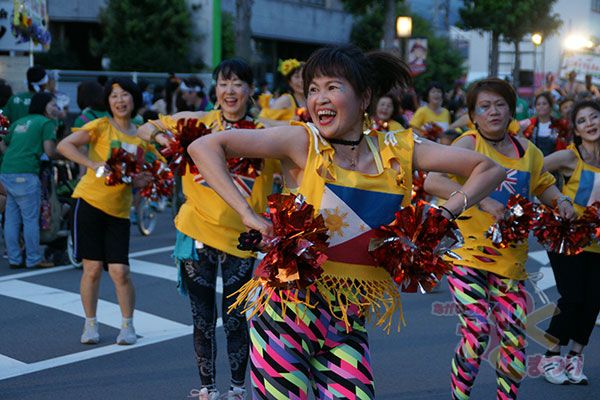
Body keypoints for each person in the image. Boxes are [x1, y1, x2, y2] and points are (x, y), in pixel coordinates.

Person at [187, 45, 506, 400]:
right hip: (284, 313)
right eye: (312, 89)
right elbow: (204, 147)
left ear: (364, 96)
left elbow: (489, 168)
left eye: (332, 87)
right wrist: (248, 214)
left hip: (347, 320)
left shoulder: (398, 148)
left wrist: (443, 214)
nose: (319, 99)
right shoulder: (302, 141)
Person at [424, 78, 575, 400]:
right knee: (476, 331)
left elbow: (543, 184)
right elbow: (433, 180)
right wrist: (477, 199)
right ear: (473, 115)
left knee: (514, 336)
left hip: (510, 259)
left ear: (511, 110)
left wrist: (560, 202)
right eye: (484, 106)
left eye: (500, 105)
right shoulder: (467, 145)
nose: (493, 112)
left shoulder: (528, 151)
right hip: (466, 255)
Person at [138, 58, 276, 400]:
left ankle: (238, 389)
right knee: (202, 319)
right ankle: (208, 388)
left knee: (235, 319)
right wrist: (164, 139)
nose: (230, 91)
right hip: (197, 231)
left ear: (251, 90)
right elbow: (144, 129)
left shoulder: (264, 134)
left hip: (242, 237)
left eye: (238, 84)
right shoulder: (196, 124)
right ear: (215, 89)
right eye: (223, 83)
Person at [57, 78, 153, 346]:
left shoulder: (141, 136)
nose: (120, 101)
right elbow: (65, 145)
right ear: (107, 102)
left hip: (120, 211)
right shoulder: (100, 126)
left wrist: (141, 180)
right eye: (114, 96)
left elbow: (137, 174)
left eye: (125, 95)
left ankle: (127, 326)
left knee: (120, 271)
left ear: (134, 99)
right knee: (92, 269)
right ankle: (90, 324)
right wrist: (92, 163)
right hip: (88, 202)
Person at [539, 100, 600, 385]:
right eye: (583, 121)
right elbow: (532, 169)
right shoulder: (570, 157)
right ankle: (551, 355)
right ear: (575, 129)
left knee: (593, 302)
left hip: (598, 244)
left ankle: (575, 356)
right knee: (572, 298)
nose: (590, 124)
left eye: (594, 117)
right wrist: (554, 201)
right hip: (568, 239)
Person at [0, 92, 60, 269]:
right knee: (30, 219)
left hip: (6, 171)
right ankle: (33, 259)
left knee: (11, 218)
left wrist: (12, 155)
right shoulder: (46, 123)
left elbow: (2, 143)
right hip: (25, 174)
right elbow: (49, 151)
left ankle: (14, 259)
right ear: (43, 105)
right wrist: (65, 154)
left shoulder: (19, 122)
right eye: (53, 104)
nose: (55, 109)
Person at [258, 58, 306, 124]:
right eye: (296, 77)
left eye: (304, 76)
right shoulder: (286, 100)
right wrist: (289, 123)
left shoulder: (311, 99)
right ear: (290, 82)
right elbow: (261, 120)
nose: (301, 81)